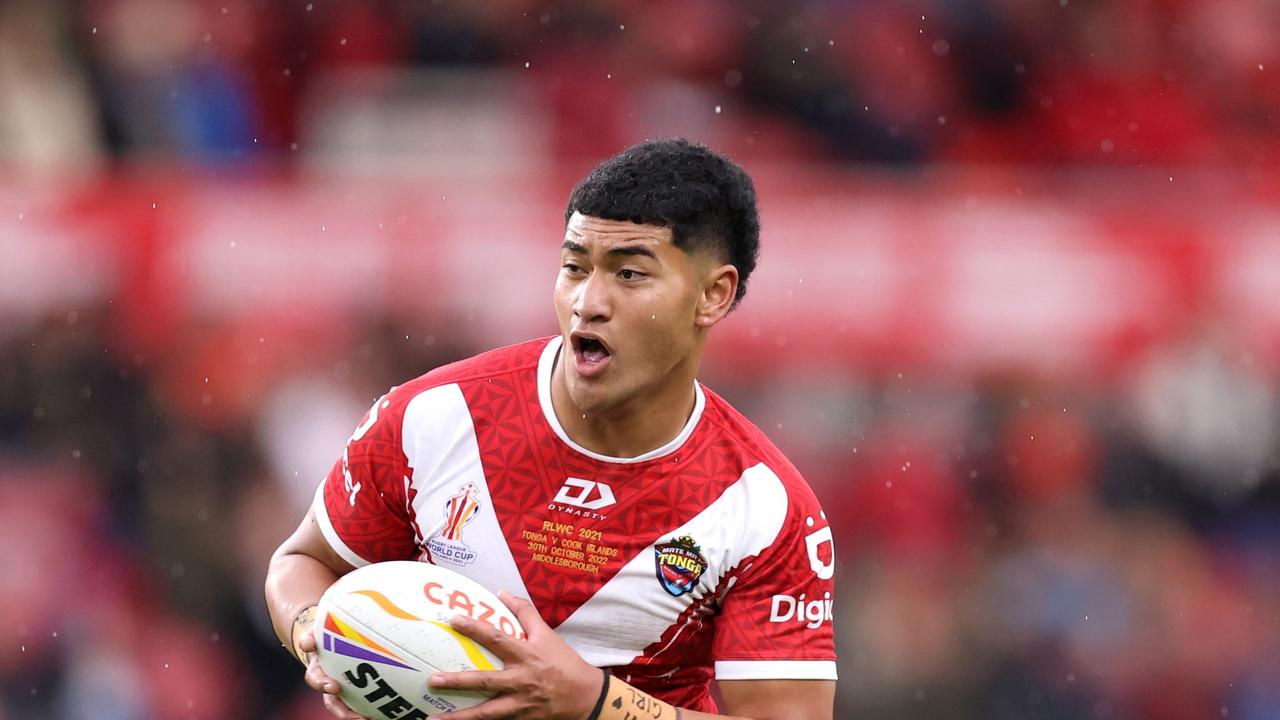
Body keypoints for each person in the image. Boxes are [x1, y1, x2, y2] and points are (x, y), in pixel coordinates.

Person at [265, 139, 837, 720]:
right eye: (574, 267)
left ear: (713, 295)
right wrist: (319, 636)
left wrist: (592, 703)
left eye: (630, 274)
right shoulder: (433, 417)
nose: (588, 302)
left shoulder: (766, 509)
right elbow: (301, 565)